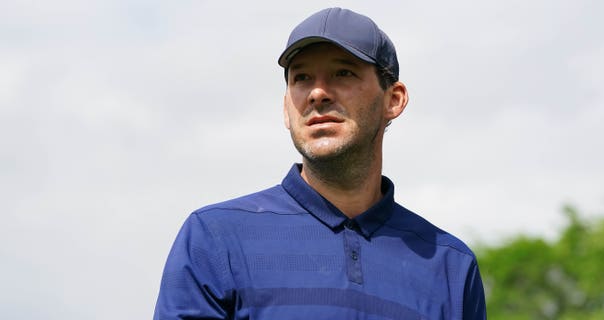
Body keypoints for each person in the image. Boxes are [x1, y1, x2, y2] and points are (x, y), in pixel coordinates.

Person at [154, 7, 486, 320]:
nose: (317, 93)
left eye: (343, 72)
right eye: (301, 78)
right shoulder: (215, 237)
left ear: (393, 99)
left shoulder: (450, 266)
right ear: (287, 108)